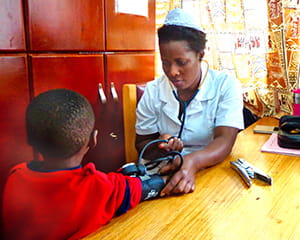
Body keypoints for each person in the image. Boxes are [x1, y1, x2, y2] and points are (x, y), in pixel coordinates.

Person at [2, 88, 166, 240]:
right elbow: (146, 188)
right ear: (94, 139)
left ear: (31, 141)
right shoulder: (98, 186)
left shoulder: (16, 177)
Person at [135, 8, 244, 197]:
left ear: (200, 55)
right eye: (165, 62)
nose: (172, 71)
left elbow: (225, 140)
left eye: (181, 62)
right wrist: (162, 146)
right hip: (161, 177)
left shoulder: (225, 85)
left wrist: (193, 161)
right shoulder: (153, 91)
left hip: (209, 173)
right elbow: (142, 143)